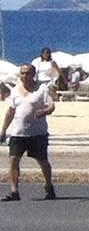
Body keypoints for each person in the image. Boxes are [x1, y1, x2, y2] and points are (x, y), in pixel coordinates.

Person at [3, 63, 57, 201]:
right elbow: (10, 111)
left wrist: (43, 111)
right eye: (22, 73)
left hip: (37, 134)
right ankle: (14, 191)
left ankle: (49, 186)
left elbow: (51, 106)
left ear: (33, 75)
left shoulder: (41, 89)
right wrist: (3, 130)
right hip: (18, 133)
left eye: (27, 73)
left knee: (42, 161)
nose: (24, 76)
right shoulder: (15, 90)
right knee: (13, 160)